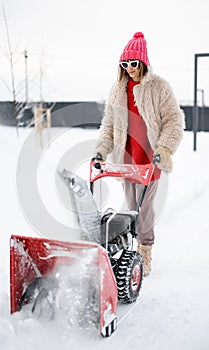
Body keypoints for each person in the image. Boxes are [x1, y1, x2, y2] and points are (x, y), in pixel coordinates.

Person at [93, 32, 184, 276]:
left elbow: (175, 119)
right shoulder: (117, 90)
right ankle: (127, 251)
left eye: (133, 63)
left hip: (150, 160)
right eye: (125, 64)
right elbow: (109, 124)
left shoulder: (159, 87)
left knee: (144, 209)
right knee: (131, 207)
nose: (130, 68)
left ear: (143, 62)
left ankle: (145, 251)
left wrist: (164, 148)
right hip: (126, 159)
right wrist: (102, 148)